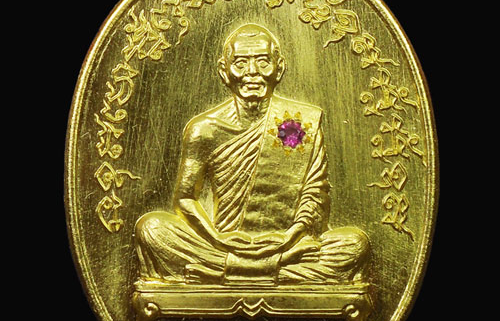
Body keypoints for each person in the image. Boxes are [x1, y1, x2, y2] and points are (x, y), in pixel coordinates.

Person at [135, 23, 369, 285]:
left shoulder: (297, 122)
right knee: (151, 228)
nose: (252, 72)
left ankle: (225, 273)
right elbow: (186, 198)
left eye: (263, 62)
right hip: (222, 244)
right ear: (224, 71)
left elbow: (315, 193)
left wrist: (291, 235)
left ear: (279, 68)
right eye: (240, 63)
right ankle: (273, 269)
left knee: (354, 243)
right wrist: (217, 238)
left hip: (288, 242)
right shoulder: (204, 129)